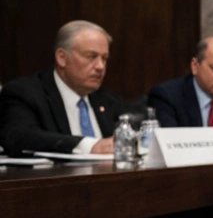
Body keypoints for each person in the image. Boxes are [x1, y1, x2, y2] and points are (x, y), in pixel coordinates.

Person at [0, 20, 122, 156]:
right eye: (91, 56)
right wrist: (90, 146)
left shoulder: (108, 100)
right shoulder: (25, 94)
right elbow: (19, 136)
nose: (100, 66)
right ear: (62, 58)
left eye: (104, 58)